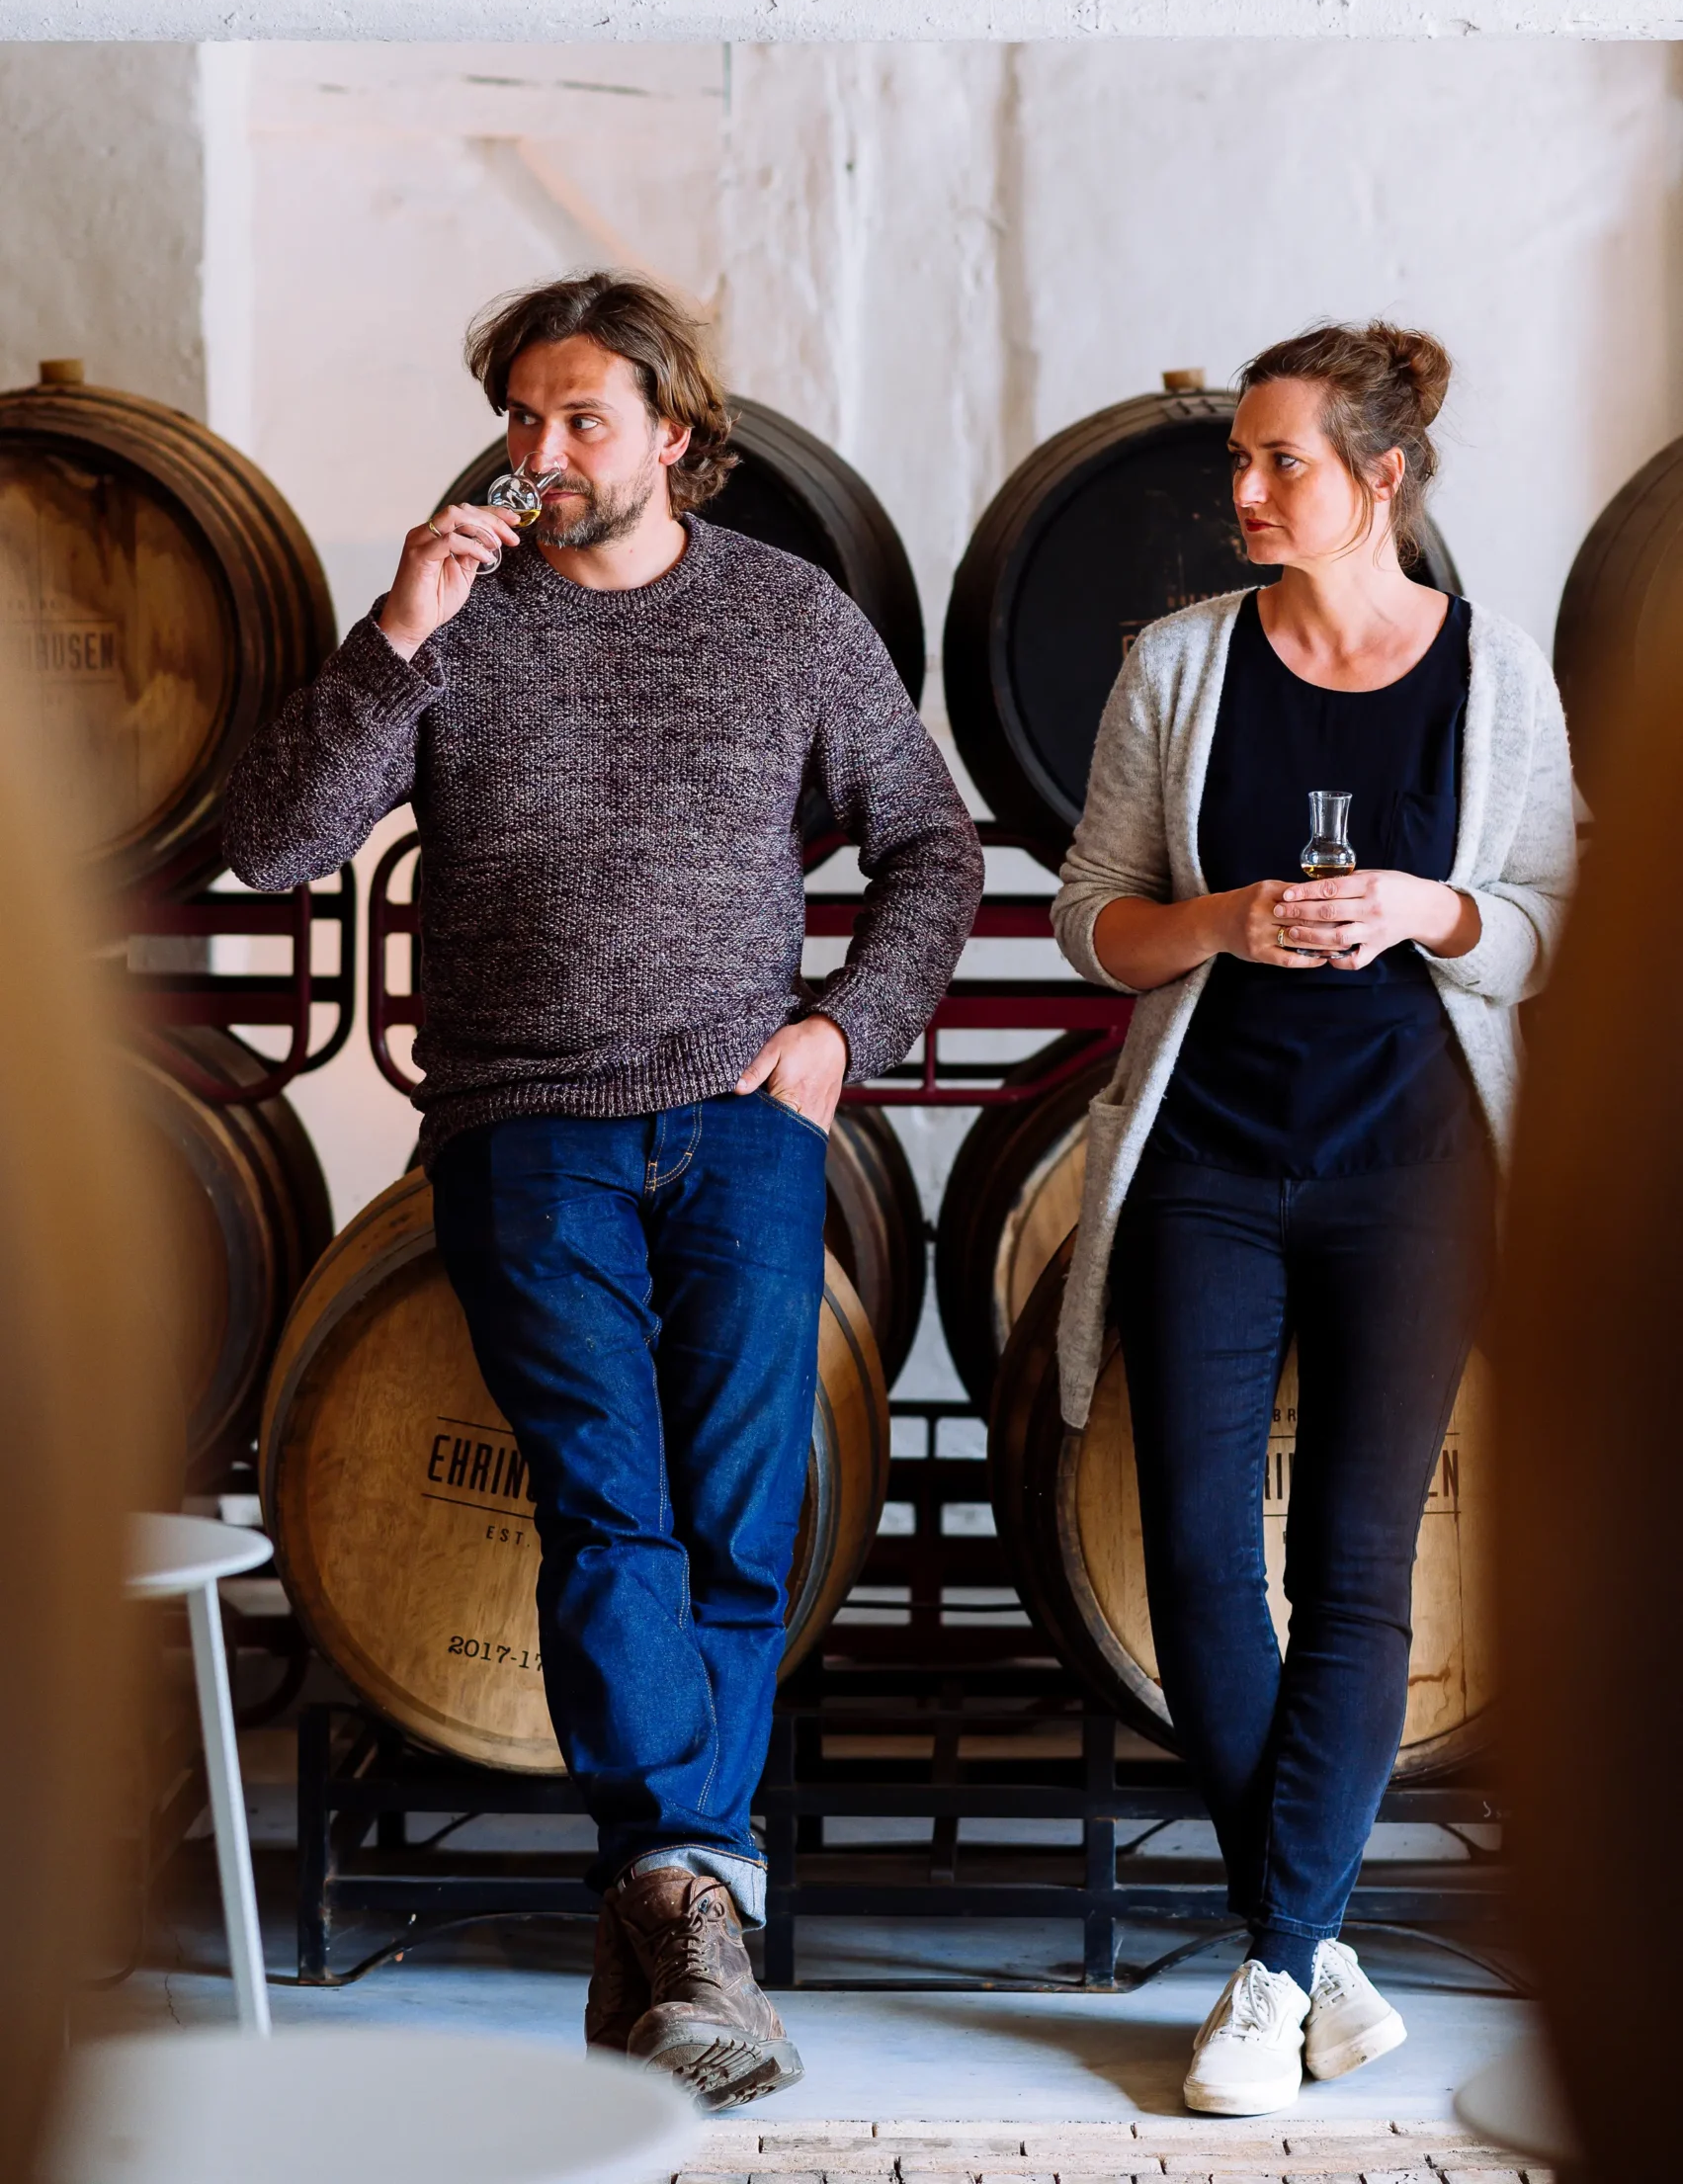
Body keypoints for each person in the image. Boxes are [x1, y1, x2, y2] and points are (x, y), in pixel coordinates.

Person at [222, 273, 982, 2108]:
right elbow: (269, 846)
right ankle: (692, 1891)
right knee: (609, 1509)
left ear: (673, 439)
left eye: (582, 419)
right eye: (523, 420)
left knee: (738, 1523)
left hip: (741, 1132)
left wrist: (838, 1036)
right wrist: (394, 631)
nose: (543, 455)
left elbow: (931, 843)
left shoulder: (785, 616)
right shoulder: (458, 628)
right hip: (524, 1129)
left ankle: (659, 1931)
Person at [1051, 322, 1575, 2118]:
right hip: (1204, 1160)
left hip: (1412, 1174)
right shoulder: (1176, 668)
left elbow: (1546, 921)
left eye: (1280, 463)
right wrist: (1222, 921)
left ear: (1382, 479)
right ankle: (1311, 1950)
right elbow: (1094, 917)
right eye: (1240, 464)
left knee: (1354, 1569)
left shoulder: (1492, 677)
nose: (1244, 494)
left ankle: (1269, 1968)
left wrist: (1431, 909)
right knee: (1197, 1554)